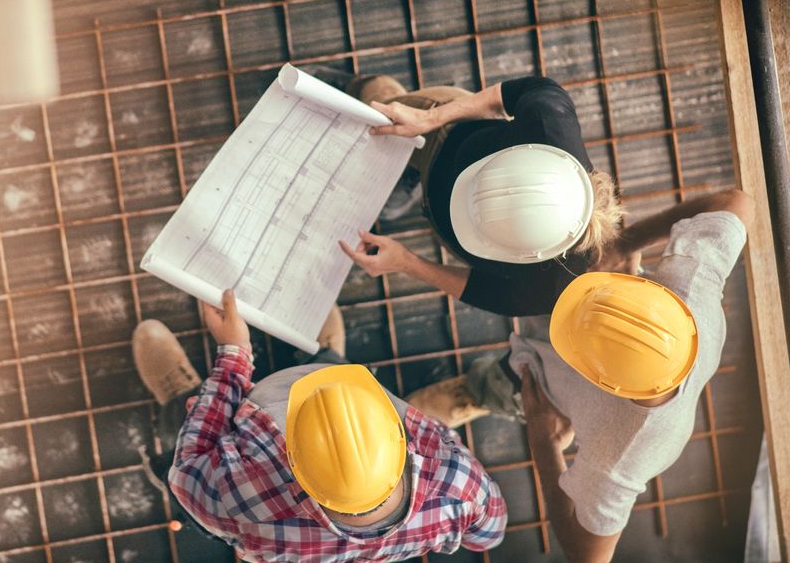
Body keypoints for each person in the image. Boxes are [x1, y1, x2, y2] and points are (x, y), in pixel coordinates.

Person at [407, 189, 756, 561]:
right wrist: (626, 242)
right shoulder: (692, 288)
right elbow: (737, 202)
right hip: (584, 340)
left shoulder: (619, 456)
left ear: (598, 379)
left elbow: (589, 556)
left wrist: (545, 446)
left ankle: (476, 393)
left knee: (502, 386)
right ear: (657, 297)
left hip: (542, 387)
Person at [132, 291, 507, 561]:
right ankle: (328, 357)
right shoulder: (460, 487)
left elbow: (187, 472)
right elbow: (488, 535)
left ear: (292, 460)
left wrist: (233, 355)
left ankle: (187, 396)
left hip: (242, 449)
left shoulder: (242, 498)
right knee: (335, 369)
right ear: (402, 442)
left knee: (189, 420)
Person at [310, 67, 624, 318]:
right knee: (377, 109)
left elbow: (477, 288)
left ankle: (412, 182)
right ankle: (361, 84)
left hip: (438, 201)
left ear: (527, 255)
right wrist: (429, 118)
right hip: (445, 131)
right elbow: (508, 95)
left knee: (390, 189)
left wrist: (406, 262)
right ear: (523, 151)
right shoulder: (548, 120)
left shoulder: (551, 287)